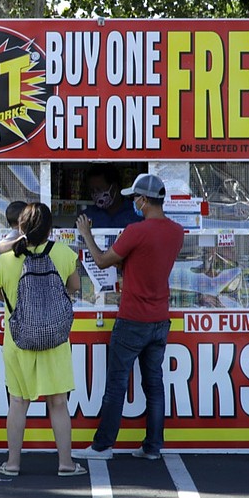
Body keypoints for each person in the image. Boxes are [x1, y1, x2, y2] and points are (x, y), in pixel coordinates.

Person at [73, 173, 184, 460]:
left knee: (116, 385)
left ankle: (102, 446)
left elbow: (101, 261)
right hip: (160, 318)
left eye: (135, 198)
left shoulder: (136, 231)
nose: (133, 203)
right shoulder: (176, 231)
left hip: (133, 318)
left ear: (144, 201)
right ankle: (152, 447)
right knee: (154, 385)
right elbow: (148, 262)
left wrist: (86, 234)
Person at [0, 202, 86, 477]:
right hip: (55, 340)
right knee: (58, 403)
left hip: (18, 340)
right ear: (49, 229)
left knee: (18, 403)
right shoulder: (63, 253)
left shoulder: (6, 260)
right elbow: (75, 287)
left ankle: (13, 464)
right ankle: (66, 464)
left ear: (20, 227)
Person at [79, 164, 141, 229]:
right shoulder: (86, 216)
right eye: (92, 190)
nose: (95, 194)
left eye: (99, 189)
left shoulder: (137, 212)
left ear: (114, 187)